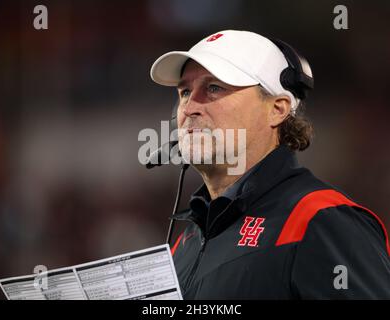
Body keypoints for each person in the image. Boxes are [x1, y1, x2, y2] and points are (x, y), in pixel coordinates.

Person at [149, 30, 390, 299]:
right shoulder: (187, 241)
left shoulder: (321, 219)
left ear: (277, 109)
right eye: (184, 92)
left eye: (214, 87)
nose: (189, 107)